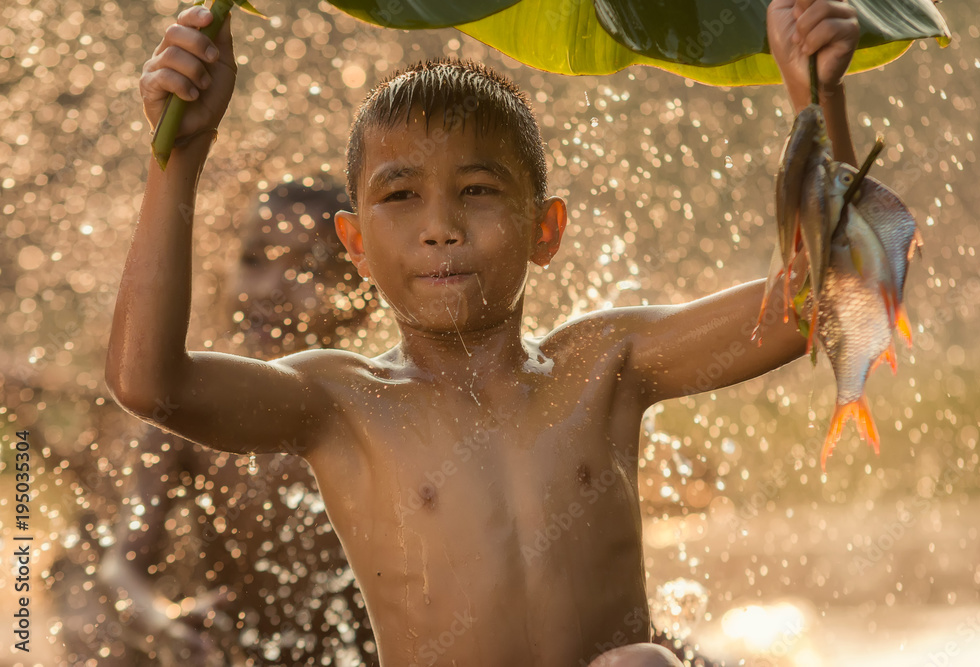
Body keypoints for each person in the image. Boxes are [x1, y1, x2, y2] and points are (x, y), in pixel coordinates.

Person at [107, 0, 859, 664]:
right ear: (356, 245)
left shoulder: (604, 365)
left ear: (546, 228)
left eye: (477, 190)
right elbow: (148, 380)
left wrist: (815, 93)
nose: (441, 227)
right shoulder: (343, 404)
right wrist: (179, 154)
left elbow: (820, 303)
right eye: (400, 194)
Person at [100, 183, 378, 665]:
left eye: (308, 269)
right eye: (254, 259)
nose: (271, 287)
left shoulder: (379, 408)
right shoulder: (188, 414)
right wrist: (162, 620)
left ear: (364, 298)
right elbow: (120, 569)